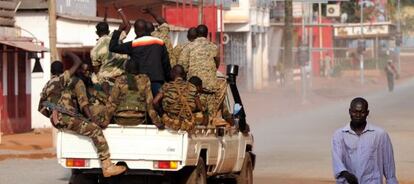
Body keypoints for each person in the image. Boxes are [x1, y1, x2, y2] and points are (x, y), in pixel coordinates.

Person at [39, 52, 126, 177]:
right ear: (62, 71)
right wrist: (72, 55)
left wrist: (53, 117)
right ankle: (107, 166)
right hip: (67, 118)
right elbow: (78, 63)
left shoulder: (47, 85)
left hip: (60, 120)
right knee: (95, 130)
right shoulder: (63, 79)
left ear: (51, 71)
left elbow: (41, 108)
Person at [331, 97, 398, 184]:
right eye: (355, 112)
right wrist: (346, 174)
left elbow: (389, 169)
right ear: (350, 112)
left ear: (367, 113)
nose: (358, 115)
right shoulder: (339, 135)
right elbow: (337, 160)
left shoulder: (380, 134)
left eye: (362, 112)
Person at [109, 19, 171, 96]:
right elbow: (166, 64)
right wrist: (169, 80)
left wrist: (119, 30)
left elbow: (113, 47)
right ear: (146, 29)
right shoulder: (160, 42)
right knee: (158, 105)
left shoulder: (133, 44)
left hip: (140, 82)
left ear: (135, 30)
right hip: (157, 80)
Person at [106, 60, 162, 127]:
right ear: (138, 69)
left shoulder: (119, 80)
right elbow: (149, 103)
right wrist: (157, 122)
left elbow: (112, 102)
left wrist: (106, 121)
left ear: (126, 69)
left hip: (120, 119)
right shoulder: (145, 80)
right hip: (139, 119)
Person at [153, 65, 204, 131]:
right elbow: (200, 108)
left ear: (172, 74)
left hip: (170, 121)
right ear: (183, 75)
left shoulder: (166, 86)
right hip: (188, 123)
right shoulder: (192, 87)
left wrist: (162, 114)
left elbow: (155, 102)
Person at [90, 3, 131, 85]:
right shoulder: (116, 37)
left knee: (94, 77)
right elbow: (128, 25)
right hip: (123, 78)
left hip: (107, 82)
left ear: (96, 33)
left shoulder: (94, 50)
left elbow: (96, 70)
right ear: (108, 31)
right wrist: (120, 10)